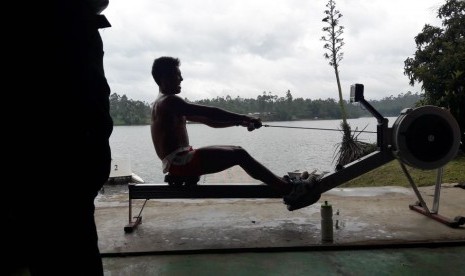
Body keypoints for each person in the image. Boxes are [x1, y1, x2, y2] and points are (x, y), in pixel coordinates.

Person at [9, 1, 113, 275]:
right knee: (68, 244)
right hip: (64, 160)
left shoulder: (72, 29)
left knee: (56, 242)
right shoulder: (63, 34)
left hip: (66, 160)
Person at [150, 56, 321, 211]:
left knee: (237, 150)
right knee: (239, 154)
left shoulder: (164, 103)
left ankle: (285, 184)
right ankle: (291, 190)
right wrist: (243, 117)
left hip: (179, 160)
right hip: (179, 163)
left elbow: (209, 121)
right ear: (164, 79)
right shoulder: (170, 101)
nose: (181, 78)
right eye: (176, 75)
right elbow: (211, 113)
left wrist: (240, 122)